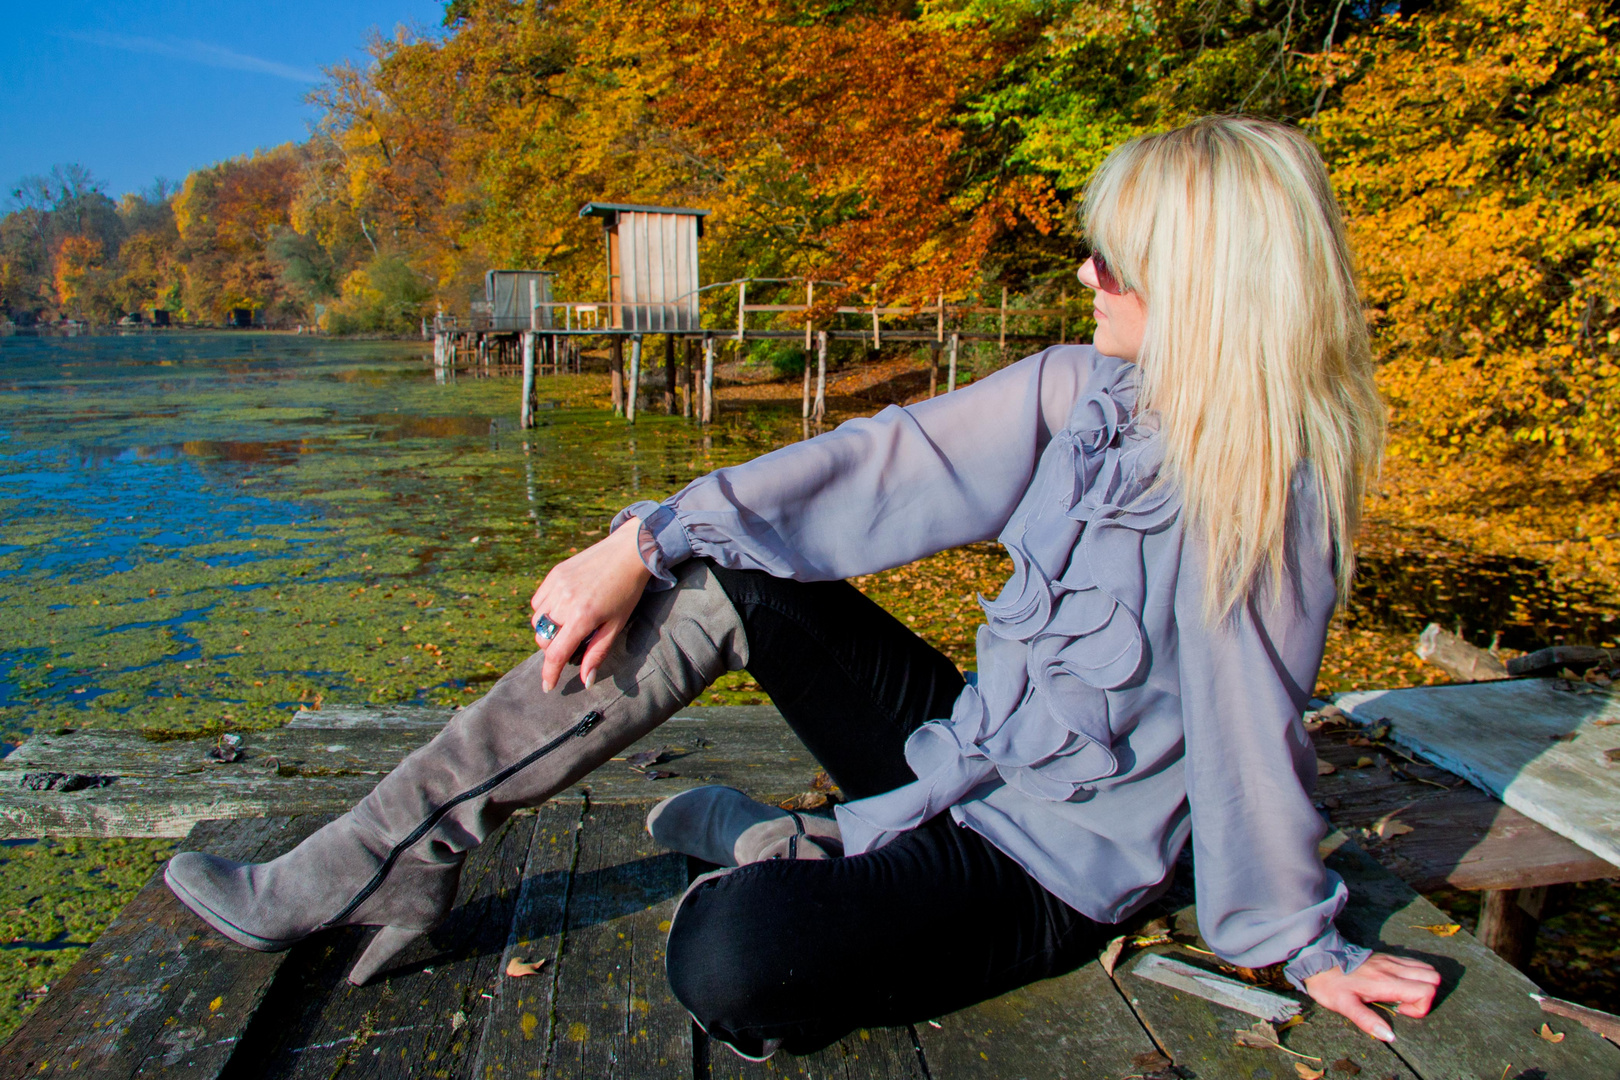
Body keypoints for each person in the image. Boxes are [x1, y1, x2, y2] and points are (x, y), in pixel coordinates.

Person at [164, 115, 1442, 1060]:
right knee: (723, 564)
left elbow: (1245, 725)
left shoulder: (1272, 491)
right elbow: (873, 467)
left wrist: (1298, 939)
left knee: (731, 960)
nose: (1085, 279)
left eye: (1117, 265)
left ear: (1213, 294)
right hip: (968, 748)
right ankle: (381, 857)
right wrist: (644, 541)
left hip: (1060, 864)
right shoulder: (1075, 391)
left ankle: (789, 844)